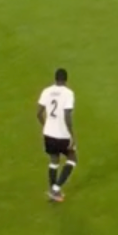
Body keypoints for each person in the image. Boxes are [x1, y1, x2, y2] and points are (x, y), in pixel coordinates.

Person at [37, 67, 78, 202]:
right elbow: (67, 115)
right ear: (66, 80)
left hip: (48, 134)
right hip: (62, 135)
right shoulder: (68, 93)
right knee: (72, 159)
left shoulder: (46, 91)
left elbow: (38, 113)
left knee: (54, 160)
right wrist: (72, 135)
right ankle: (56, 188)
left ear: (55, 79)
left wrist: (46, 126)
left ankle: (53, 191)